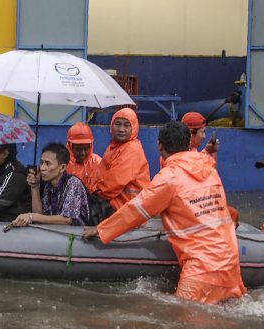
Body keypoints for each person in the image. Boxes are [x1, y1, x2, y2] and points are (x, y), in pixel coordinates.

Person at [83, 121, 246, 305]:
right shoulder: (208, 166)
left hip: (201, 271)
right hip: (232, 266)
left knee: (183, 328)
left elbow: (136, 210)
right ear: (188, 144)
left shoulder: (168, 178)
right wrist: (208, 151)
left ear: (160, 146)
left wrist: (101, 229)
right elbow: (203, 159)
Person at [11, 143, 89, 227]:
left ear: (62, 168)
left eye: (47, 164)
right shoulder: (49, 185)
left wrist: (31, 216)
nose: (42, 168)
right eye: (41, 163)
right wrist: (35, 187)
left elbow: (66, 220)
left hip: (76, 235)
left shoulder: (73, 183)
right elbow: (40, 214)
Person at [91, 107, 151, 211]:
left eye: (126, 125)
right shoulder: (113, 147)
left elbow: (113, 183)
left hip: (127, 210)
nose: (121, 129)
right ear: (111, 126)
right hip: (118, 206)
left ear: (134, 127)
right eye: (117, 124)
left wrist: (92, 197)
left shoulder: (132, 149)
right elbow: (100, 175)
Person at [65, 122, 102, 190]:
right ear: (70, 147)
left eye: (86, 149)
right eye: (78, 149)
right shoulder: (62, 162)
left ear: (90, 147)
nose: (82, 153)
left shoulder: (98, 163)